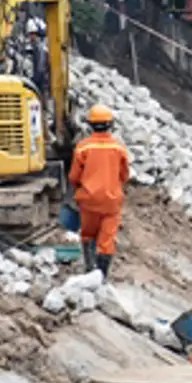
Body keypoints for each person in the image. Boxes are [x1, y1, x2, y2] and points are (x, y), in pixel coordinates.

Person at [68, 104, 130, 278]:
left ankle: (89, 268)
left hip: (88, 200)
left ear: (90, 124)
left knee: (88, 234)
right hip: (111, 201)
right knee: (107, 239)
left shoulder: (82, 148)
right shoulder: (119, 148)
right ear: (110, 124)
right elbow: (124, 175)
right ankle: (102, 276)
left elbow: (74, 177)